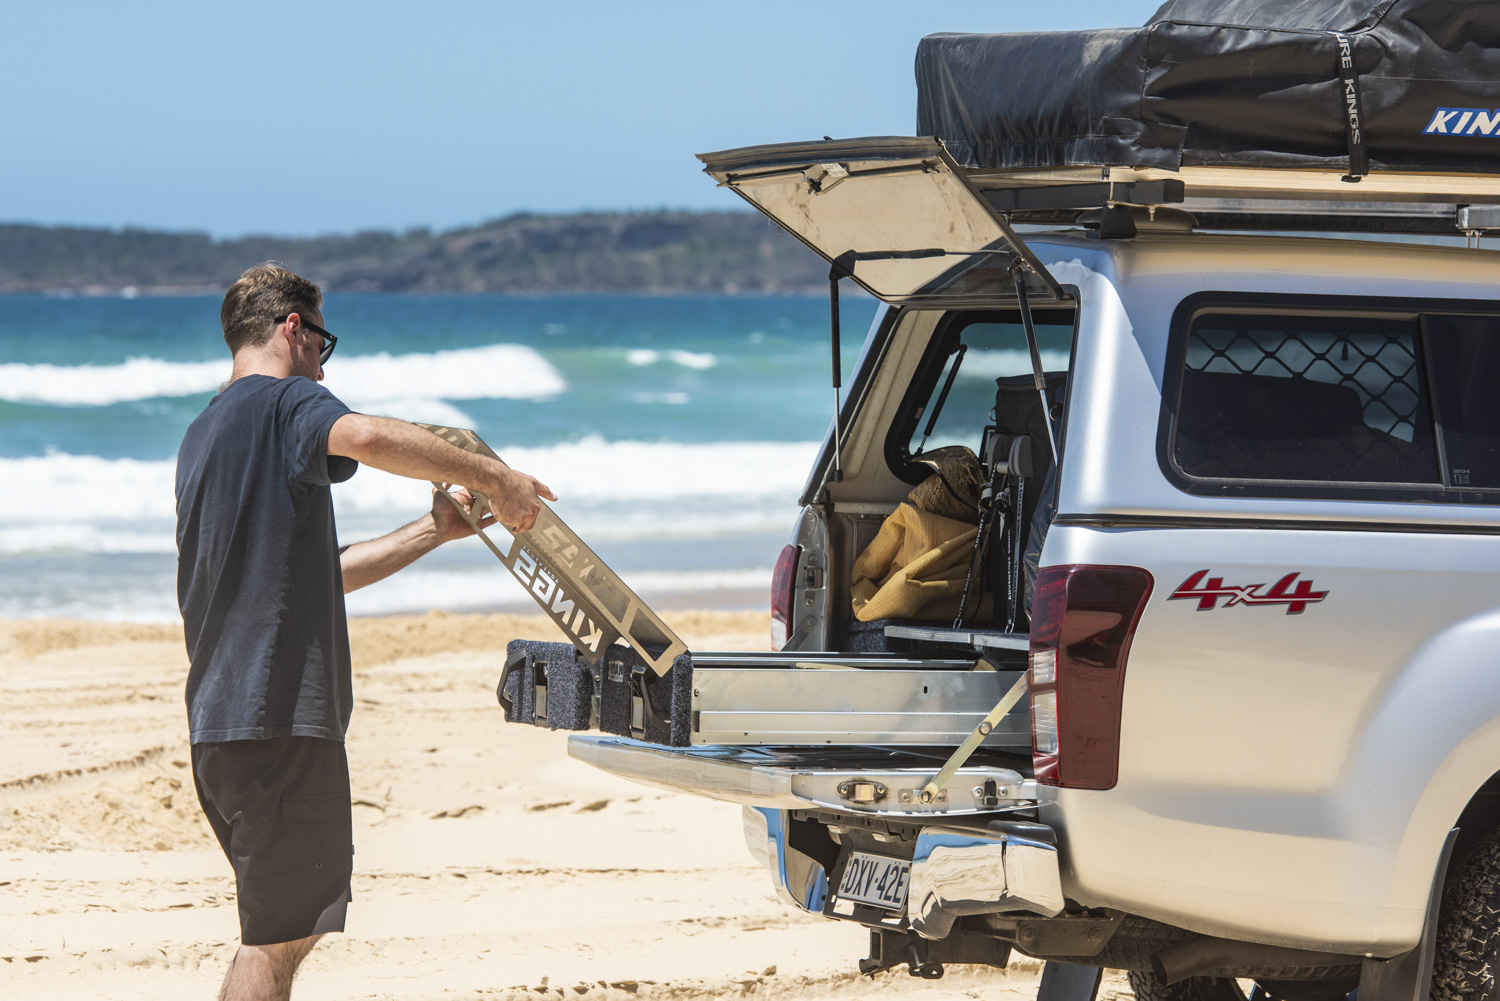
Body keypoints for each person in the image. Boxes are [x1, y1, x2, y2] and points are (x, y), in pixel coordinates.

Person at [174, 262, 555, 1001]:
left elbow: (317, 572)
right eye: (324, 342)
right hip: (276, 717)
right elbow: (368, 433)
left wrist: (434, 529)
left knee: (279, 927)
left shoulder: (204, 433)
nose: (323, 362)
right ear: (294, 328)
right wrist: (496, 477)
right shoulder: (286, 403)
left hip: (224, 722)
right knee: (275, 939)